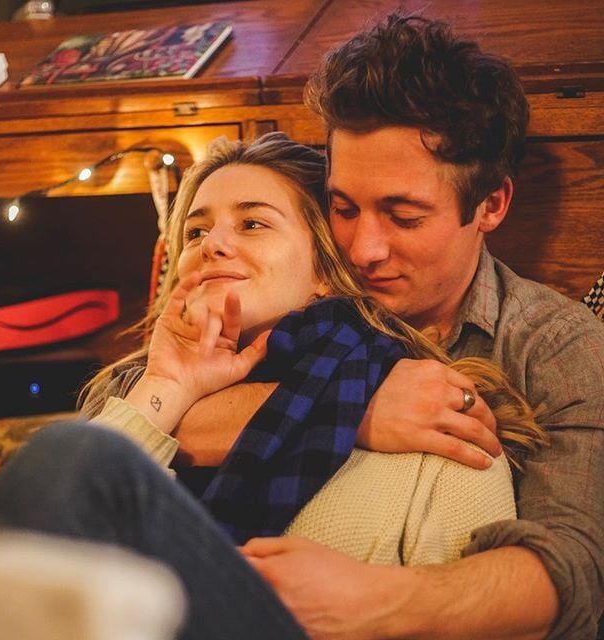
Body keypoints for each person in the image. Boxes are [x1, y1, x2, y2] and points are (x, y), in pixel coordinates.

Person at [0, 132, 543, 638]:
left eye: (252, 223)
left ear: (324, 270)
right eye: (195, 231)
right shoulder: (135, 399)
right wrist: (169, 383)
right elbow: (63, 567)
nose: (211, 245)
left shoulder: (440, 420)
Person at [173, 12, 603, 640]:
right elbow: (125, 407)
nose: (362, 248)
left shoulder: (555, 347)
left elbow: (578, 570)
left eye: (403, 216)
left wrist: (386, 601)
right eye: (343, 207)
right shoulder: (295, 283)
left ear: (491, 205)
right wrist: (354, 410)